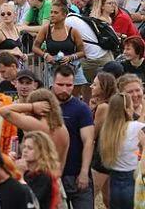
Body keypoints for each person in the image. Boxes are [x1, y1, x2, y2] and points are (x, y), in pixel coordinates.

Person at [52, 64, 94, 209]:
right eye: (60, 85)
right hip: (52, 174)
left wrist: (84, 172)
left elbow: (88, 141)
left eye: (69, 85)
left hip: (76, 174)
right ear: (52, 83)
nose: (64, 89)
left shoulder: (81, 109)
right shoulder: (44, 106)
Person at [98, 92, 144, 207]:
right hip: (131, 178)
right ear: (127, 109)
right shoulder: (134, 127)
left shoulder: (107, 130)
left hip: (114, 180)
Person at [17, 131, 61, 209]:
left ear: (41, 151)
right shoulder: (26, 172)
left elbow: (30, 201)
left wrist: (20, 175)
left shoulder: (44, 176)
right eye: (24, 147)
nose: (25, 151)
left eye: (30, 148)